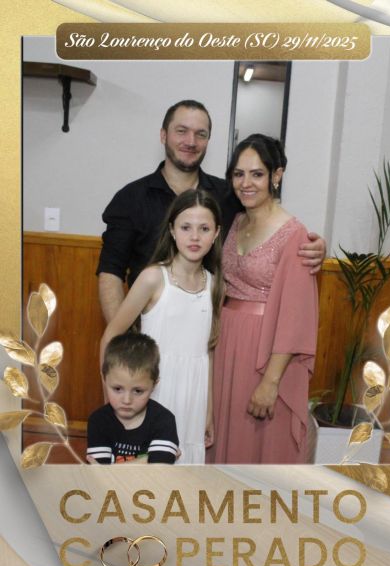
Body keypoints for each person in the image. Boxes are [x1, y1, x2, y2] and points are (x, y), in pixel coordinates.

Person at [97, 99, 325, 323]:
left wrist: (312, 246)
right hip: (147, 334)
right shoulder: (131, 198)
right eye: (181, 131)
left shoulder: (230, 196)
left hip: (212, 334)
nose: (191, 141)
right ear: (163, 135)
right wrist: (122, 340)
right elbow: (110, 273)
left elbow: (268, 225)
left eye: (201, 134)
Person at [208, 134, 318, 464]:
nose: (246, 183)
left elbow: (295, 317)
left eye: (257, 174)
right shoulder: (235, 220)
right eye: (238, 174)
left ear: (276, 175)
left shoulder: (295, 235)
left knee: (259, 444)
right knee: (224, 435)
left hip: (268, 352)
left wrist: (271, 382)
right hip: (227, 344)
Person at [100, 188, 223, 464]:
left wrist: (208, 410)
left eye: (204, 228)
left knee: (184, 470)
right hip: (154, 388)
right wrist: (111, 398)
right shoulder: (153, 278)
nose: (194, 237)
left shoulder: (215, 285)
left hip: (193, 395)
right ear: (172, 230)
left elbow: (208, 350)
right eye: (186, 227)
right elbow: (111, 336)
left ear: (216, 234)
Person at [87, 333, 179, 464]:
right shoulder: (99, 421)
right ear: (104, 379)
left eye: (138, 391)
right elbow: (100, 473)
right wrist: (147, 459)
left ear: (154, 385)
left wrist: (109, 470)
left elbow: (159, 469)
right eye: (117, 389)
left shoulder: (164, 420)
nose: (127, 400)